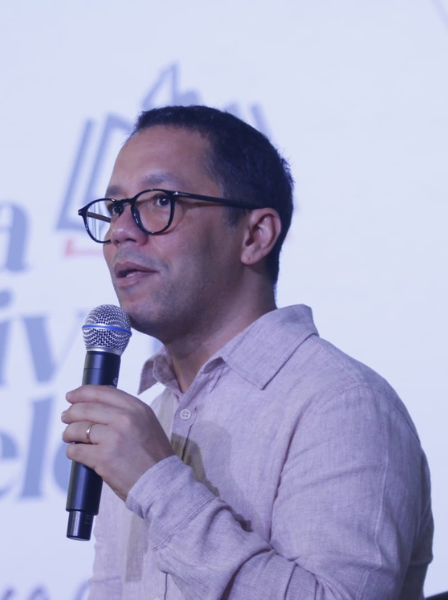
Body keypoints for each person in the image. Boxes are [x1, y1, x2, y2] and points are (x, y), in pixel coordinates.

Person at [61, 105, 433, 599]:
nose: (121, 232)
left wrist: (158, 485)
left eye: (158, 201)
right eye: (114, 208)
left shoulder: (341, 402)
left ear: (255, 235)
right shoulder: (151, 421)